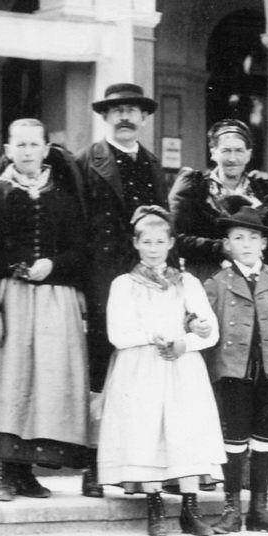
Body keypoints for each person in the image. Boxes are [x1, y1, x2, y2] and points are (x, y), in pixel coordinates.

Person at [0, 119, 90, 500]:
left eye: (34, 145)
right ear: (8, 150)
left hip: (51, 302)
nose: (27, 152)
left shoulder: (64, 196)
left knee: (43, 383)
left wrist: (53, 265)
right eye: (20, 145)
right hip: (7, 297)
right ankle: (7, 474)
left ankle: (28, 472)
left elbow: (79, 251)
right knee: (5, 381)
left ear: (46, 149)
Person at [96, 206, 225, 536]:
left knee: (185, 430)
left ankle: (189, 508)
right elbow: (117, 334)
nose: (153, 249)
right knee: (145, 429)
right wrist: (150, 337)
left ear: (170, 244)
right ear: (136, 244)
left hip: (179, 365)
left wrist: (186, 342)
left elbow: (210, 332)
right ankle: (154, 505)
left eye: (160, 242)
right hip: (141, 366)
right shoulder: (124, 284)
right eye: (147, 242)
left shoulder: (187, 283)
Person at [76, 83, 169, 498]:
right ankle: (94, 463)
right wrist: (79, 285)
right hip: (99, 283)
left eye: (133, 110)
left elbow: (164, 227)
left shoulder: (152, 165)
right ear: (105, 117)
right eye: (117, 111)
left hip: (143, 284)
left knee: (141, 372)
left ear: (144, 117)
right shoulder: (85, 162)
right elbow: (73, 229)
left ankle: (137, 465)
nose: (125, 117)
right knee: (100, 371)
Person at [203, 200, 268, 533]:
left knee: (266, 439)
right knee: (234, 439)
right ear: (228, 245)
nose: (246, 245)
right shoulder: (217, 283)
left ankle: (259, 509)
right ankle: (232, 510)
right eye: (238, 238)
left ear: (264, 244)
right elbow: (206, 331)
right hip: (233, 373)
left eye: (252, 238)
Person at [169, 119, 268, 281]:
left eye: (239, 151)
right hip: (204, 277)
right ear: (213, 153)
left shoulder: (265, 193)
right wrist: (219, 248)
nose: (232, 158)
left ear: (248, 154)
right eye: (226, 151)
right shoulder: (193, 188)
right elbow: (175, 238)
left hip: (253, 280)